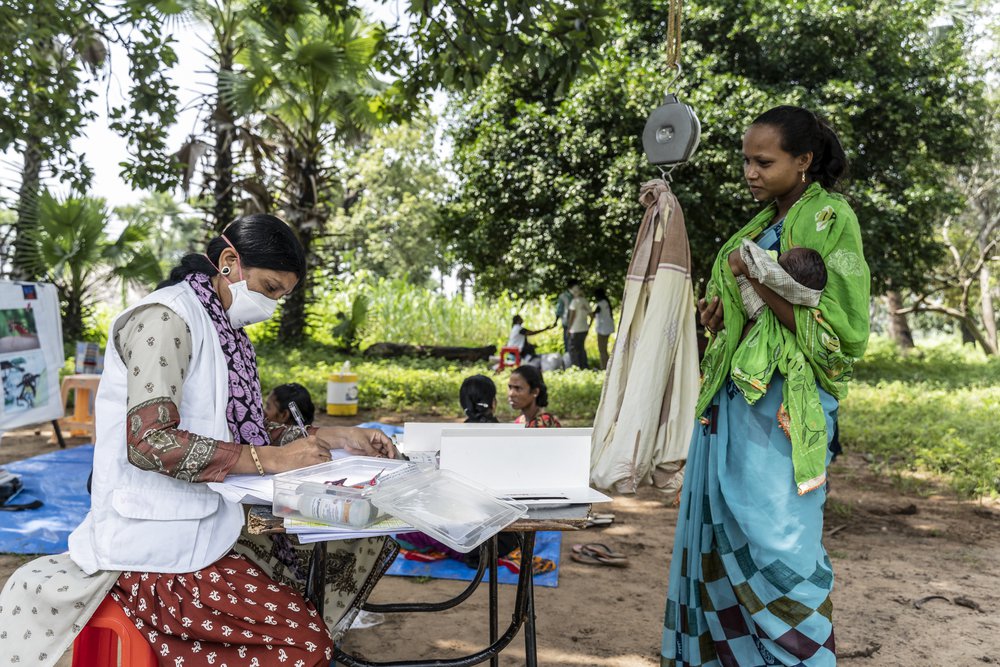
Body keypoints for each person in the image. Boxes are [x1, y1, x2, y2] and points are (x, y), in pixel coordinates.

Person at [0, 215, 399, 667]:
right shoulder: (165, 320)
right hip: (157, 548)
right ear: (230, 261)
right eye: (269, 289)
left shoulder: (223, 328)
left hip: (213, 522)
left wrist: (336, 437)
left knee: (344, 532)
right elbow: (150, 441)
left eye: (281, 297)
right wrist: (270, 459)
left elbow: (235, 428)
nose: (272, 305)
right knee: (303, 643)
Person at [661, 106, 870, 666]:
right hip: (736, 403)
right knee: (727, 527)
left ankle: (799, 658)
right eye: (745, 161)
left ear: (803, 161)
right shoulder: (757, 227)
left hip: (783, 409)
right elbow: (748, 316)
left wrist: (752, 277)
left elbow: (838, 330)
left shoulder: (829, 218)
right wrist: (719, 314)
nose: (750, 172)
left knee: (780, 539)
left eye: (763, 161)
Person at [566, 284, 592, 369]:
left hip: (575, 329)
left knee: (573, 348)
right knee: (581, 348)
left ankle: (576, 367)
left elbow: (572, 316)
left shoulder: (574, 302)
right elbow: (591, 315)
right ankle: (584, 365)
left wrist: (569, 328)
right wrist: (589, 325)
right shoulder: (585, 301)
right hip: (584, 328)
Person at [591, 287, 615, 370]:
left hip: (603, 329)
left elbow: (594, 313)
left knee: (602, 350)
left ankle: (604, 367)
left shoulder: (600, 304)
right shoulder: (606, 302)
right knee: (604, 349)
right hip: (607, 328)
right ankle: (607, 366)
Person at [553, 279, 578, 353]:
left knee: (576, 344)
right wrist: (556, 321)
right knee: (568, 343)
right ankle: (569, 361)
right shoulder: (563, 296)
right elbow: (559, 309)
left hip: (577, 323)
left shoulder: (577, 296)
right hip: (567, 323)